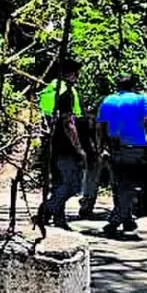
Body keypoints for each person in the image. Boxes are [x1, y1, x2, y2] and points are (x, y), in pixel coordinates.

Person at [97, 74, 147, 238]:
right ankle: (115, 220)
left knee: (119, 185)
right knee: (129, 185)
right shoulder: (141, 100)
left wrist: (101, 147)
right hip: (135, 147)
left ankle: (127, 220)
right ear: (134, 86)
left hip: (113, 147)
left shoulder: (107, 100)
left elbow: (100, 126)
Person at [38, 86, 85, 229]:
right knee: (71, 186)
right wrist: (79, 148)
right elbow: (68, 124)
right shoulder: (67, 95)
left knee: (60, 184)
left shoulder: (50, 92)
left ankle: (59, 220)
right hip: (66, 149)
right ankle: (46, 209)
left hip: (53, 146)